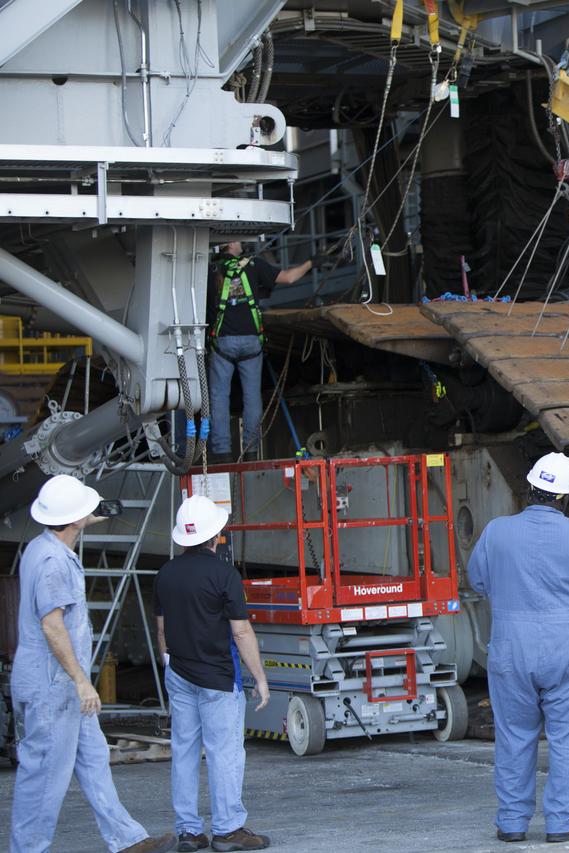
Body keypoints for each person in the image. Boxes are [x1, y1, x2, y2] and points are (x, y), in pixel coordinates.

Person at [9, 475, 176, 853]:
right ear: (73, 520)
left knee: (94, 759)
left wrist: (87, 514)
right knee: (45, 773)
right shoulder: (54, 562)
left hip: (62, 686)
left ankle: (127, 838)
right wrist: (82, 682)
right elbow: (52, 626)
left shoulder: (41, 546)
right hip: (57, 687)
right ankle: (28, 849)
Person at [467, 453, 569, 844]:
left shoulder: (497, 532)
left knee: (514, 735)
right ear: (565, 497)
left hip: (513, 649)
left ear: (530, 489)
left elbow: (477, 579)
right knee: (566, 738)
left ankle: (512, 823)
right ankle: (562, 823)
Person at [154, 495, 271, 852]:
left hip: (180, 673)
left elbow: (162, 630)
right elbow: (241, 632)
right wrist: (260, 678)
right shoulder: (224, 575)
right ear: (216, 535)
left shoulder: (165, 574)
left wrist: (170, 663)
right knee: (225, 753)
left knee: (184, 751)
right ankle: (227, 829)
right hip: (218, 678)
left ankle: (189, 831)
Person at [206, 241, 312, 462]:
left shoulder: (212, 270)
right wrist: (312, 262)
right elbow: (290, 277)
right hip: (251, 342)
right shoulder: (254, 265)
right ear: (232, 244)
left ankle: (222, 453)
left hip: (223, 341)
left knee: (219, 398)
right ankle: (251, 452)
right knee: (252, 397)